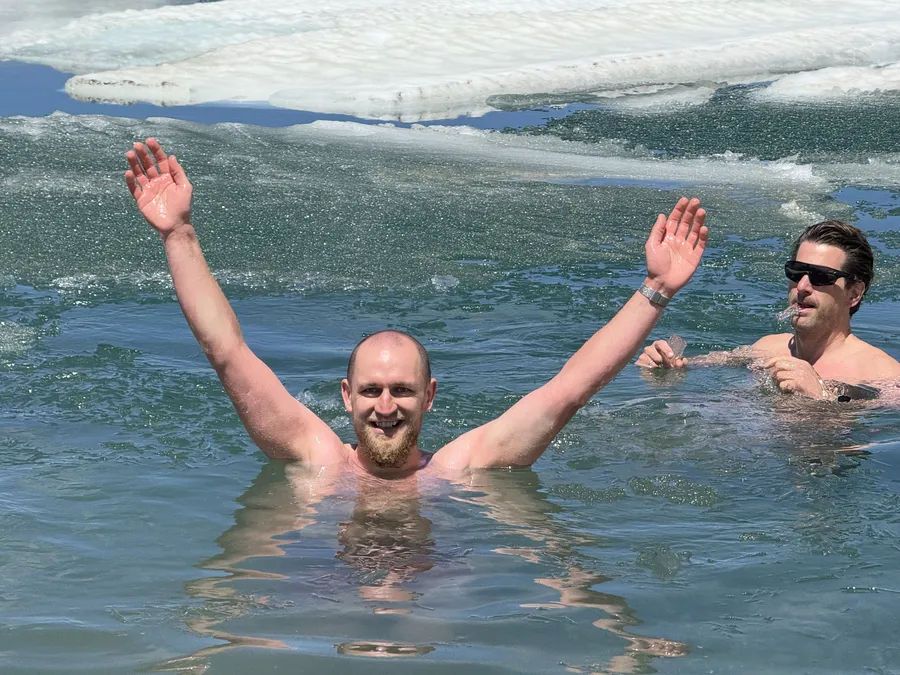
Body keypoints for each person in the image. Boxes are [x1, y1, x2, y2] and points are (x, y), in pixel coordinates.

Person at [125, 137, 708, 477]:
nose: (386, 406)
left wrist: (656, 290)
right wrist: (178, 234)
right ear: (346, 396)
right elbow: (226, 352)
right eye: (373, 390)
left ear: (429, 397)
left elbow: (571, 387)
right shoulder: (319, 462)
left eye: (402, 390)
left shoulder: (460, 472)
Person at [636, 218, 900, 400]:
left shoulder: (883, 374)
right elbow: (697, 365)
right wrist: (666, 365)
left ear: (854, 293)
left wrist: (823, 395)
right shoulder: (768, 348)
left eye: (821, 277)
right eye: (796, 272)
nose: (803, 286)